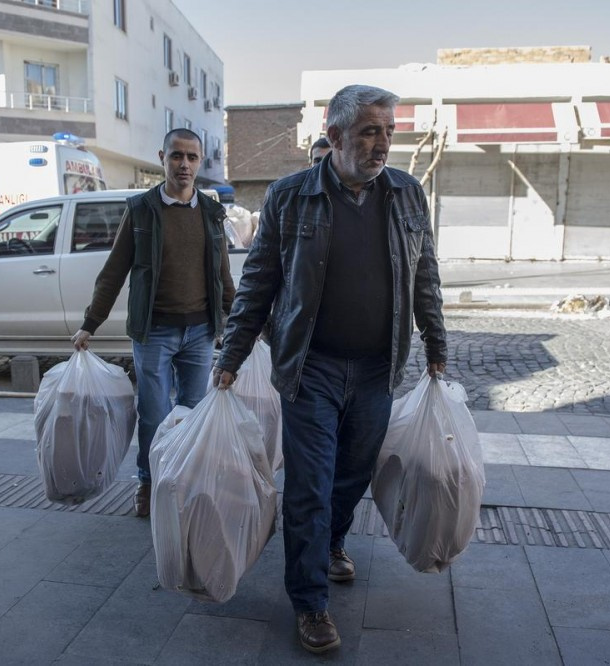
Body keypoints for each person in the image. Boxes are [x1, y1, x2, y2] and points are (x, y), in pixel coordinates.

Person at [212, 85, 447, 654]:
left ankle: (332, 542)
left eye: (389, 131)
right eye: (370, 131)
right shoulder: (290, 197)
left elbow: (425, 276)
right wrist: (231, 356)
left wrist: (436, 342)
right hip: (310, 368)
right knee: (310, 487)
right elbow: (259, 282)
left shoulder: (408, 194)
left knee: (352, 475)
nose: (382, 143)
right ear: (335, 136)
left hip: (376, 369)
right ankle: (310, 601)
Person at [72, 128, 236, 518]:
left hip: (200, 332)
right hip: (154, 331)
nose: (184, 165)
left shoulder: (212, 214)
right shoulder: (142, 210)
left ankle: (183, 480)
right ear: (162, 157)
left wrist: (242, 326)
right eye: (177, 156)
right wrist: (89, 323)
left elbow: (223, 276)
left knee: (193, 413)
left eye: (192, 157)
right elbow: (114, 271)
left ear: (199, 162)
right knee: (154, 413)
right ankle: (147, 482)